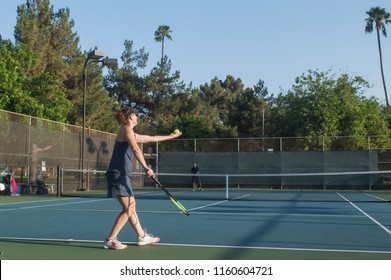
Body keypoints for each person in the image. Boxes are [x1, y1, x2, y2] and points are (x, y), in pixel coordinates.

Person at [103, 106, 182, 250]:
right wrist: (146, 168)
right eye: (136, 115)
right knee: (129, 208)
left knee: (131, 207)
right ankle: (110, 239)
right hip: (118, 174)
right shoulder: (126, 129)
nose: (137, 117)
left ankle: (142, 236)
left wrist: (170, 136)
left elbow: (150, 138)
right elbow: (136, 149)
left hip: (122, 174)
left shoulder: (130, 132)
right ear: (130, 117)